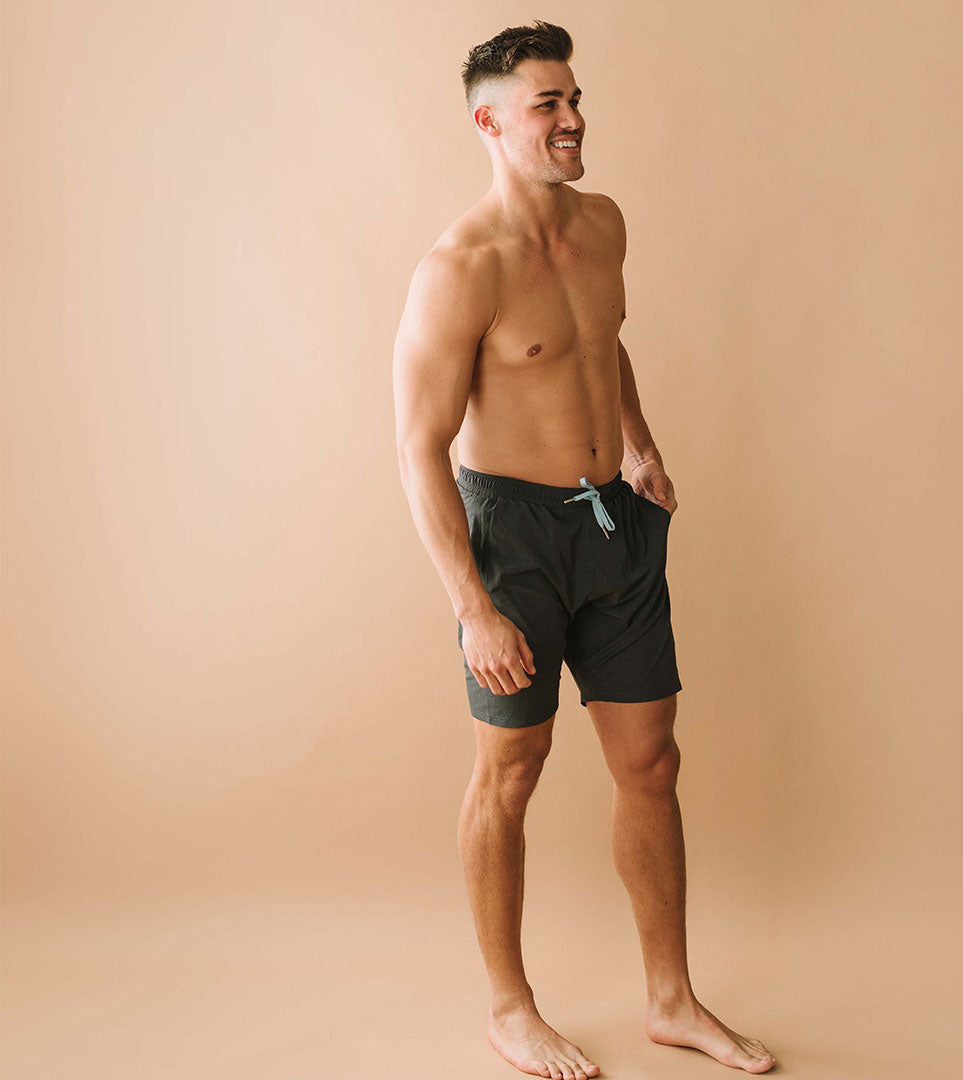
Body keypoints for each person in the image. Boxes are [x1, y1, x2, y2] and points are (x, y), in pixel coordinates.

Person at [392, 20, 776, 1079]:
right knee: (511, 770)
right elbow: (418, 449)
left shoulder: (603, 223)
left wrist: (640, 448)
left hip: (615, 525)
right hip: (513, 540)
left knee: (652, 762)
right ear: (490, 123)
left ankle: (672, 1001)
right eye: (548, 105)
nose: (573, 119)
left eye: (574, 98)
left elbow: (599, 339)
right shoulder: (458, 269)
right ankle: (510, 1007)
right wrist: (472, 607)